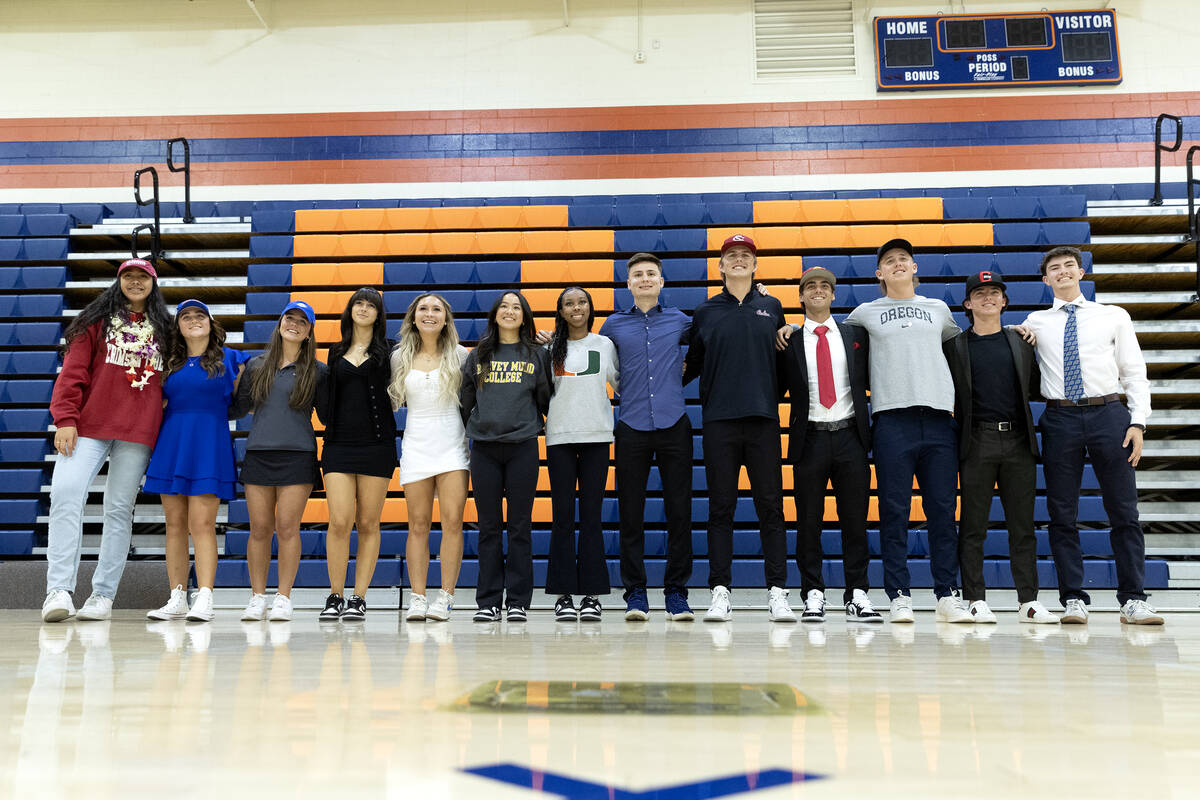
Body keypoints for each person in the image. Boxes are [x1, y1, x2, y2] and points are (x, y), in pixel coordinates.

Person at [1019, 246, 1162, 625]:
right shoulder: (1035, 322)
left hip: (1109, 414)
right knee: (1061, 513)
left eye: (1069, 266)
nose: (1063, 272)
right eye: (1054, 268)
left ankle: (1133, 598)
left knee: (1124, 511)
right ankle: (1073, 599)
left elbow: (1134, 371)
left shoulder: (1113, 316)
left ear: (1081, 272)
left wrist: (1138, 421)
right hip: (1060, 416)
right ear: (1045, 278)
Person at [840, 238, 970, 623]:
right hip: (891, 420)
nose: (897, 264)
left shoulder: (940, 310)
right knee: (893, 511)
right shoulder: (864, 313)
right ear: (879, 273)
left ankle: (947, 593)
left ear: (915, 268)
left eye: (904, 259)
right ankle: (899, 594)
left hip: (937, 420)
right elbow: (830, 343)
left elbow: (965, 351)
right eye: (889, 261)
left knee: (943, 511)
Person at [42, 258, 171, 623]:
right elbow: (72, 374)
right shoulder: (94, 323)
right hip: (88, 427)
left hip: (138, 433)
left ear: (153, 284)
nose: (135, 282)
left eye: (142, 277)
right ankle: (60, 590)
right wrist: (65, 419)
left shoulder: (166, 328)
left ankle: (102, 596)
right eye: (128, 276)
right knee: (65, 495)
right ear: (118, 282)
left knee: (118, 510)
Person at [684, 234, 794, 623]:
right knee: (721, 508)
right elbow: (691, 365)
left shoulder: (773, 307)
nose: (739, 260)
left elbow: (784, 365)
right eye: (732, 256)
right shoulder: (705, 312)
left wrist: (765, 393)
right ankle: (720, 591)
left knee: (771, 508)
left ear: (754, 264)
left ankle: (778, 592)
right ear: (720, 266)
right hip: (719, 423)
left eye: (746, 255)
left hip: (764, 421)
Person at [943, 272, 1057, 624]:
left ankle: (1029, 602)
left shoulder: (1022, 342)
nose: (988, 298)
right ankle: (975, 598)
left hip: (1019, 441)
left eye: (995, 293)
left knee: (1022, 526)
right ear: (968, 304)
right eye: (980, 294)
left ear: (1005, 301)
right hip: (977, 440)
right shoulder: (955, 347)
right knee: (973, 527)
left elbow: (1036, 387)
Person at [779, 266, 881, 623]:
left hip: (851, 436)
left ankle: (858, 593)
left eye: (825, 285)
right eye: (811, 286)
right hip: (811, 438)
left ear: (834, 294)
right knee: (809, 522)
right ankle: (814, 593)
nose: (818, 290)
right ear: (802, 296)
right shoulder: (788, 339)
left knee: (855, 520)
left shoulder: (855, 334)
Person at [598, 253, 695, 622]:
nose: (644, 279)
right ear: (628, 283)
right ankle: (635, 594)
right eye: (637, 275)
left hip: (674, 424)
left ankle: (676, 594)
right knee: (631, 514)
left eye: (650, 274)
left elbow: (711, 340)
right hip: (632, 425)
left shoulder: (681, 321)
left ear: (661, 281)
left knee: (679, 512)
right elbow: (586, 351)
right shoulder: (613, 326)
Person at [144, 300, 250, 622]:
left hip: (209, 444)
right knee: (174, 525)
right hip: (172, 443)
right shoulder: (166, 362)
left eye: (199, 315)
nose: (193, 320)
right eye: (186, 317)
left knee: (202, 524)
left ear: (211, 321)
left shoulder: (233, 359)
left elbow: (240, 402)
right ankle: (177, 595)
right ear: (178, 326)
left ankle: (205, 597)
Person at [231, 300, 328, 623]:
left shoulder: (318, 371)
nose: (295, 325)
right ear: (280, 323)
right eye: (290, 318)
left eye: (303, 321)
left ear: (309, 331)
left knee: (288, 527)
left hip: (298, 455)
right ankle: (257, 596)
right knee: (259, 528)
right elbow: (236, 408)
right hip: (259, 453)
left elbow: (328, 416)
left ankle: (283, 597)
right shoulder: (256, 366)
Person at [460, 291, 553, 623]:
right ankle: (487, 601)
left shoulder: (536, 355)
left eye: (517, 307)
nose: (510, 311)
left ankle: (517, 600)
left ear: (525, 316)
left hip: (523, 448)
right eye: (505, 307)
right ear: (495, 315)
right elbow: (466, 400)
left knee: (518, 526)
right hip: (484, 448)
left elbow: (544, 397)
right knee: (488, 527)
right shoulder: (478, 355)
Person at [388, 293, 470, 622]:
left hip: (452, 445)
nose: (430, 313)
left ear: (446, 319)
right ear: (413, 317)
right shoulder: (399, 358)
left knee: (452, 523)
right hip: (416, 446)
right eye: (423, 308)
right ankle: (418, 597)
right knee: (418, 525)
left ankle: (446, 597)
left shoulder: (462, 356)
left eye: (437, 309)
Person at [318, 288, 398, 622]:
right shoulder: (335, 352)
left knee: (368, 522)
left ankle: (358, 597)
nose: (363, 308)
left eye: (371, 305)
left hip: (377, 446)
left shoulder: (392, 351)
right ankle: (335, 594)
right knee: (339, 521)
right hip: (337, 444)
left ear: (379, 315)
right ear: (349, 311)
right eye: (358, 303)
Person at [544, 287, 619, 622]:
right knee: (562, 517)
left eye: (581, 302)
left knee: (591, 518)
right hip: (559, 437)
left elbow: (622, 384)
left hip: (596, 437)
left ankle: (591, 594)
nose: (576, 308)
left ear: (591, 308)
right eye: (569, 304)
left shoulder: (604, 345)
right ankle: (562, 596)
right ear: (560, 311)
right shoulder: (547, 348)